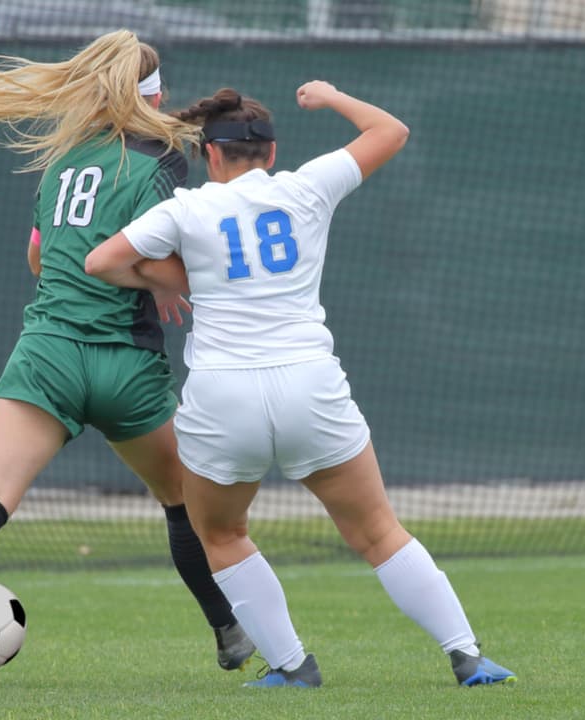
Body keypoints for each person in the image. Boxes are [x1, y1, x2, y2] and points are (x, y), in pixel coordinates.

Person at [85, 82, 517, 688]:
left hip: (223, 394)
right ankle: (467, 655)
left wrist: (178, 279)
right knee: (378, 532)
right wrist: (334, 95)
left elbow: (100, 262)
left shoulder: (184, 208)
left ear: (210, 155)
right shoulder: (307, 187)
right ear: (272, 151)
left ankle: (292, 667)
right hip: (309, 386)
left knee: (220, 533)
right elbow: (391, 131)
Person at [0, 30, 254, 694]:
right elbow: (161, 251)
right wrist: (164, 280)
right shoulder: (163, 159)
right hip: (126, 368)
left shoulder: (61, 165)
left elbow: (37, 256)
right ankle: (228, 630)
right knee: (182, 503)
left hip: (47, 355)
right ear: (153, 95)